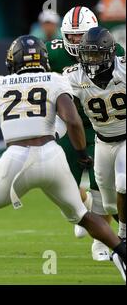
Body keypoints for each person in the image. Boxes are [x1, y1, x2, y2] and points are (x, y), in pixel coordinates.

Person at [0, 35, 126, 281]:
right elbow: (73, 120)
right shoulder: (55, 79)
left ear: (12, 60)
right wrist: (80, 153)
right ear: (43, 59)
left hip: (16, 158)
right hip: (51, 154)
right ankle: (122, 250)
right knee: (84, 217)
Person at [47, 6, 125, 261]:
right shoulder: (62, 63)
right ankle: (86, 210)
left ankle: (109, 238)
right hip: (77, 126)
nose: (78, 43)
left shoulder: (119, 60)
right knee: (58, 180)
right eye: (72, 37)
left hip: (111, 130)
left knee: (112, 185)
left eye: (82, 37)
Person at [63, 27, 126, 278]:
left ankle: (121, 241)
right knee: (109, 204)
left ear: (110, 54)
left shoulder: (123, 68)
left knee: (124, 183)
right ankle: (112, 227)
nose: (91, 61)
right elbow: (57, 98)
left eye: (96, 55)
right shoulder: (74, 76)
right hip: (102, 142)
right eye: (87, 55)